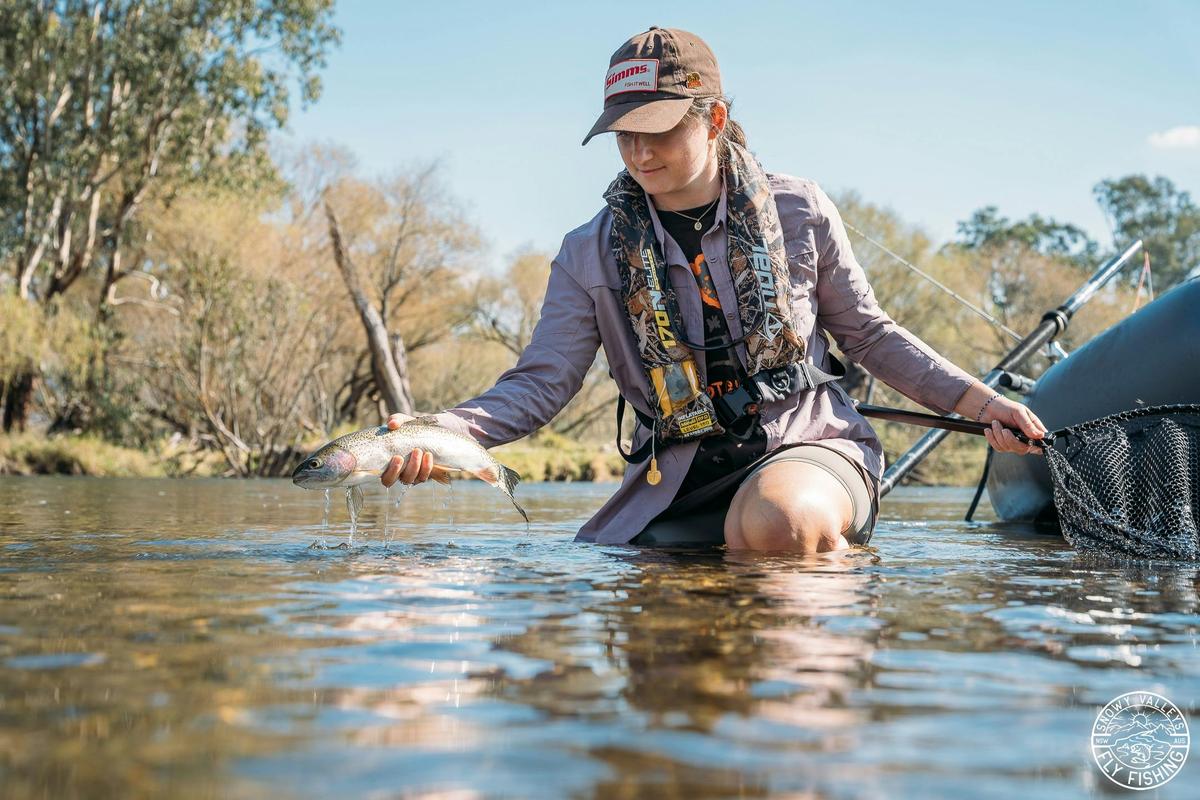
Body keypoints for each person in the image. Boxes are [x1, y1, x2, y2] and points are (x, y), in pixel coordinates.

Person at [380, 27, 1047, 552]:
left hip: (807, 448)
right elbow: (541, 382)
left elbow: (869, 335)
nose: (641, 153)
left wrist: (981, 402)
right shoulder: (587, 251)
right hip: (673, 478)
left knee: (779, 524)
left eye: (662, 129)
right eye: (625, 134)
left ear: (716, 117)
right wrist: (439, 432)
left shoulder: (800, 211)